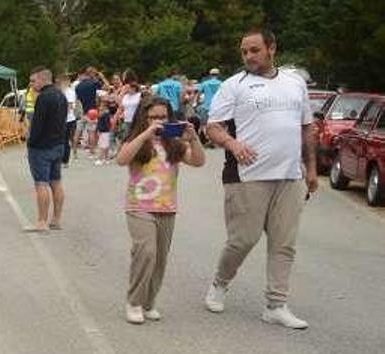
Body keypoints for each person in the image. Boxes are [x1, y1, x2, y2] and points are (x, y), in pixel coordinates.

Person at [203, 28, 318, 329]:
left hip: (289, 176)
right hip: (247, 176)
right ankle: (220, 283)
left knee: (284, 243)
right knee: (243, 240)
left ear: (272, 49)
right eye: (244, 51)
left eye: (255, 50)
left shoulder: (295, 83)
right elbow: (212, 127)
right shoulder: (234, 85)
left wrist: (313, 168)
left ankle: (276, 305)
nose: (249, 56)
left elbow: (307, 127)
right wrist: (234, 144)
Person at [114, 96, 206, 324]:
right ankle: (134, 302)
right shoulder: (137, 140)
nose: (158, 121)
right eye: (153, 117)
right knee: (146, 252)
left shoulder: (173, 143)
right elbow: (121, 159)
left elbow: (198, 161)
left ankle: (149, 302)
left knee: (160, 259)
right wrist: (146, 134)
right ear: (143, 118)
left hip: (167, 207)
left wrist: (194, 139)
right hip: (139, 206)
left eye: (163, 117)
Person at [26, 66, 68, 233]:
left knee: (41, 183)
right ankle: (56, 219)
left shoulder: (43, 98)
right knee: (56, 182)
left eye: (33, 81)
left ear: (43, 79)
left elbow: (38, 125)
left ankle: (42, 221)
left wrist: (30, 142)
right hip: (58, 144)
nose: (31, 85)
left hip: (42, 147)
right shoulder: (61, 96)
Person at [59, 74, 78, 166]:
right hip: (61, 119)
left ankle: (65, 160)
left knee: (65, 140)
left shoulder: (70, 92)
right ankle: (60, 158)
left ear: (67, 82)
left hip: (68, 119)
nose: (61, 83)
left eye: (62, 82)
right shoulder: (60, 91)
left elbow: (69, 106)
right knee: (60, 140)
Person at [94, 100, 115, 165]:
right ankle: (106, 159)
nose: (100, 107)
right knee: (105, 145)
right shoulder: (104, 114)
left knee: (102, 146)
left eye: (102, 106)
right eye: (100, 106)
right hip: (104, 131)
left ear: (105, 107)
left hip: (104, 132)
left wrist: (100, 130)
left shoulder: (105, 114)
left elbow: (106, 124)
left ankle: (101, 159)